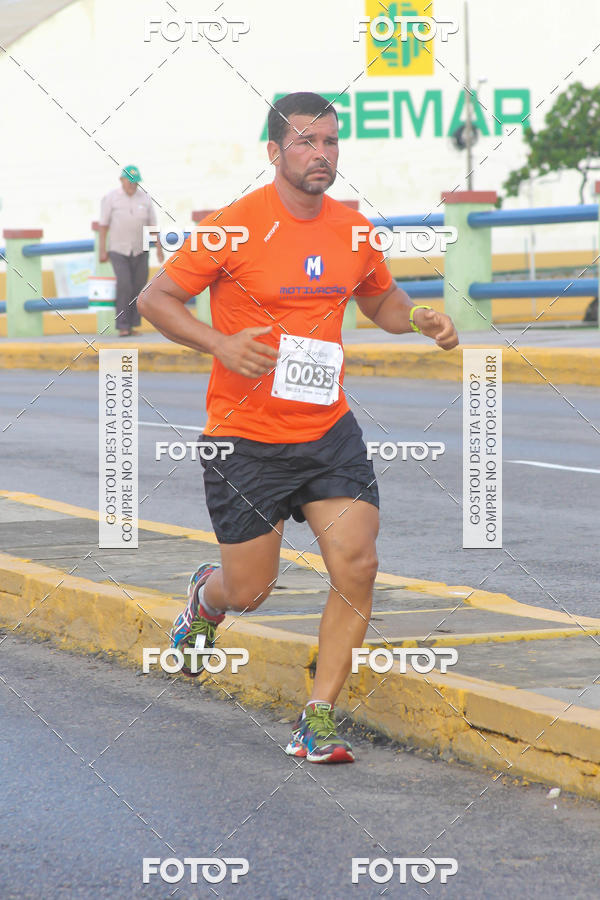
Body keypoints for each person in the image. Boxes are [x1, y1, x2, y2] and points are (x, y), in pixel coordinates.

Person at [137, 92, 458, 764]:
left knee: (359, 563)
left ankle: (319, 715)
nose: (322, 155)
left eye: (331, 142)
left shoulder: (352, 227)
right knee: (251, 589)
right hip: (245, 435)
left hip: (326, 431)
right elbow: (155, 298)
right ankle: (206, 598)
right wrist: (219, 344)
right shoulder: (234, 226)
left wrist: (417, 316)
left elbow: (377, 297)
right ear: (275, 152)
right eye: (308, 142)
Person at [99, 165, 164, 336]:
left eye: (136, 183)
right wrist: (102, 250)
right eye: (130, 182)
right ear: (121, 180)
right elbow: (103, 226)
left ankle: (133, 324)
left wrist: (158, 248)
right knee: (124, 285)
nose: (133, 185)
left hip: (140, 249)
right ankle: (122, 325)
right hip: (118, 249)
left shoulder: (145, 199)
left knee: (138, 286)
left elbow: (152, 225)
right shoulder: (111, 198)